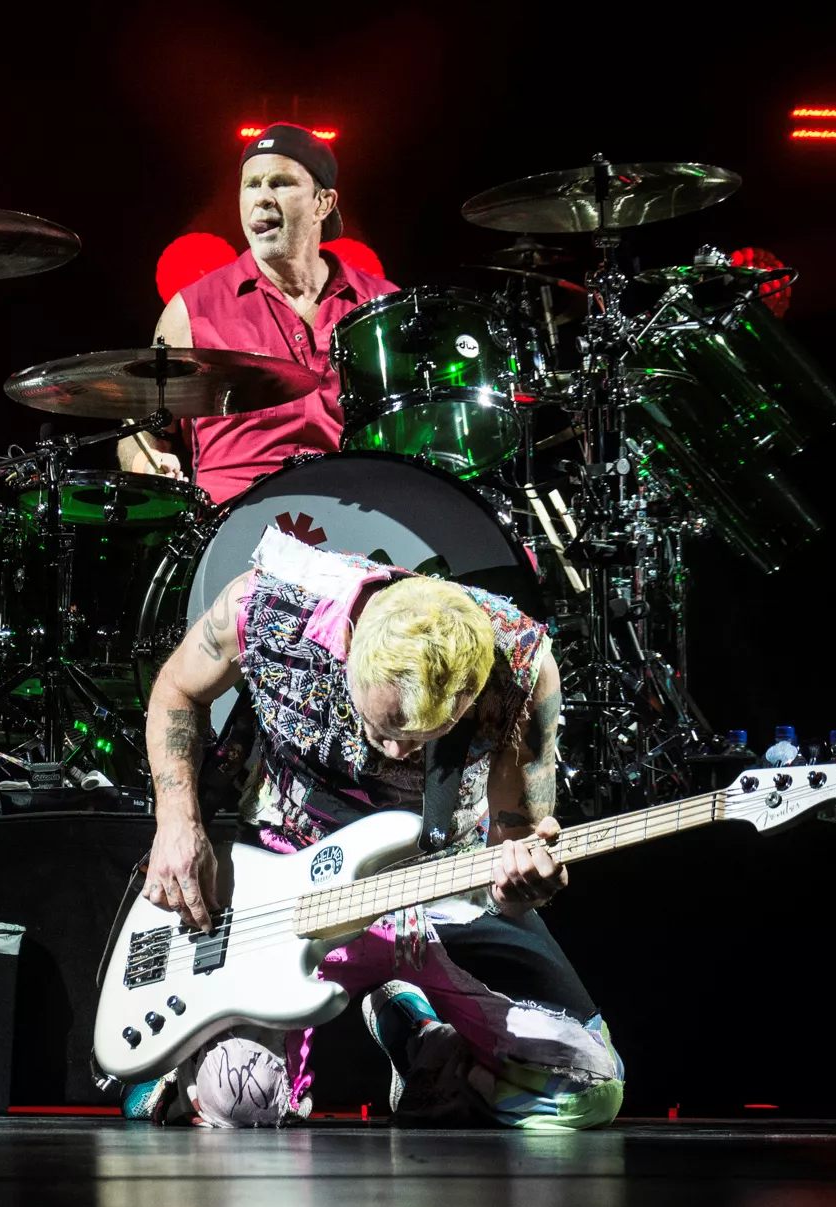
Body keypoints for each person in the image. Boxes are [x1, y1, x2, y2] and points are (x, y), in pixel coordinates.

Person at [133, 525, 623, 1129]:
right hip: (292, 880)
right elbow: (178, 690)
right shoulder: (265, 607)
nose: (396, 750)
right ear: (350, 647)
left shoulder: (521, 663)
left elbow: (512, 840)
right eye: (384, 727)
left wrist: (521, 883)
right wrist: (177, 822)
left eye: (424, 736)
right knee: (241, 1097)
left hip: (442, 884)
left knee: (586, 1089)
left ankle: (417, 1032)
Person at [118, 123, 398, 504]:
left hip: (355, 514)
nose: (262, 198)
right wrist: (145, 463)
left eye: (280, 183)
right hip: (231, 520)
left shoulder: (382, 305)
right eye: (251, 185)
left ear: (323, 203)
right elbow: (140, 431)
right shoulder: (191, 310)